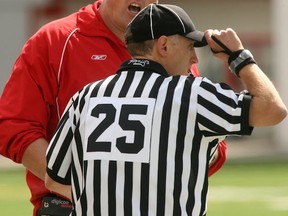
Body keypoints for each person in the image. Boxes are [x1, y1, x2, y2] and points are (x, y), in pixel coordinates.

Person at [45, 3, 287, 216]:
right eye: (190, 46)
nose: (195, 58)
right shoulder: (192, 94)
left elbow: (54, 179)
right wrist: (239, 57)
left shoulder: (86, 96)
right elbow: (273, 109)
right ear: (163, 45)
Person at [0, 0, 226, 215]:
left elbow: (209, 147)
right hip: (69, 207)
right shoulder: (56, 40)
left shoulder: (174, 52)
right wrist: (80, 190)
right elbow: (14, 126)